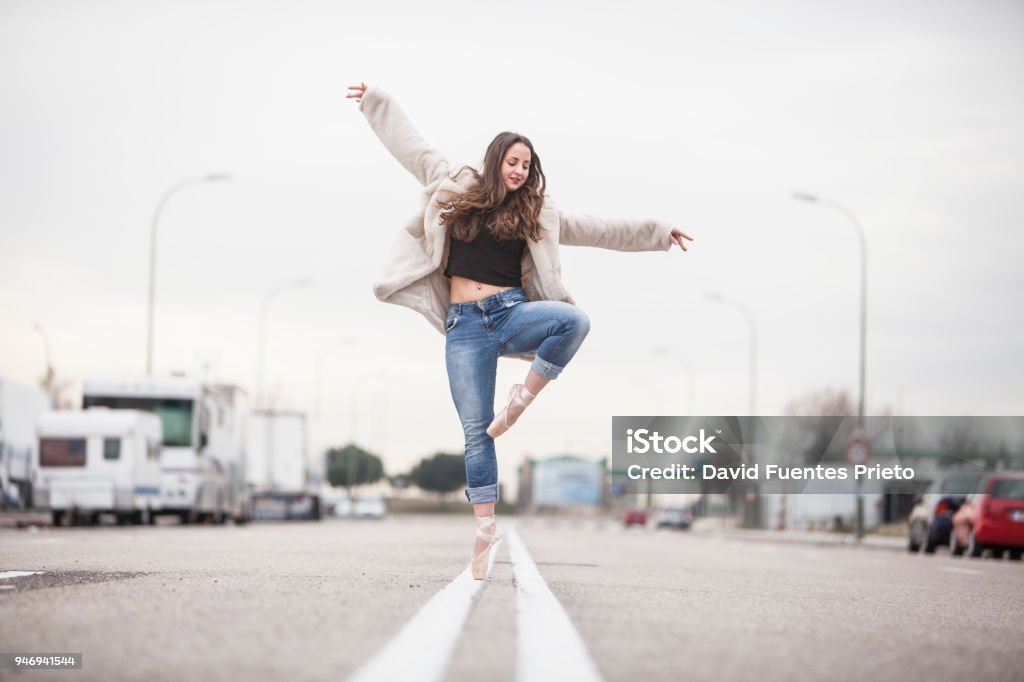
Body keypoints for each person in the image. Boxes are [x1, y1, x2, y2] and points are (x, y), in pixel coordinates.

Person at [348, 82, 693, 579]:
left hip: (510, 315)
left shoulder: (539, 213)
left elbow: (601, 230)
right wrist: (373, 100)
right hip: (464, 327)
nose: (519, 170)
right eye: (513, 161)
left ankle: (523, 398)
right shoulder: (455, 187)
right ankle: (486, 529)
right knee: (475, 432)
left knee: (573, 320)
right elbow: (410, 145)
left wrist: (659, 233)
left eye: (527, 165)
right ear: (495, 161)